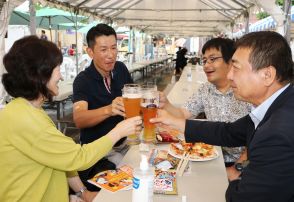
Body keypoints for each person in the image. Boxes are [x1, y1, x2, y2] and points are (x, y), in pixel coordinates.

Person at [152, 31, 294, 201]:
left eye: (236, 67)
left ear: (267, 75)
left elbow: (241, 197)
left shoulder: (277, 132)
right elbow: (228, 132)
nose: (229, 75)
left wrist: (229, 175)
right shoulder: (278, 105)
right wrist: (173, 121)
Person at [0, 36, 142, 201]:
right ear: (40, 75)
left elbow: (63, 158)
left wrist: (83, 192)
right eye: (57, 68)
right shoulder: (25, 120)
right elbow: (78, 158)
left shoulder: (25, 109)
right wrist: (119, 131)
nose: (61, 76)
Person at [160, 38, 251, 179]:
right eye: (204, 60)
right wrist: (166, 104)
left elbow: (256, 136)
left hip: (242, 165)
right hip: (210, 156)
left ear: (230, 62)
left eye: (213, 59)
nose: (207, 65)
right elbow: (183, 113)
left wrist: (236, 169)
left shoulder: (245, 90)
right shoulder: (205, 89)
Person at [72, 23, 133, 191]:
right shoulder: (83, 80)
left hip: (125, 143)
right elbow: (79, 118)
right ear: (90, 52)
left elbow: (133, 95)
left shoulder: (120, 69)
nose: (111, 55)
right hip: (99, 153)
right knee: (128, 186)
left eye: (114, 48)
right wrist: (109, 109)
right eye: (104, 49)